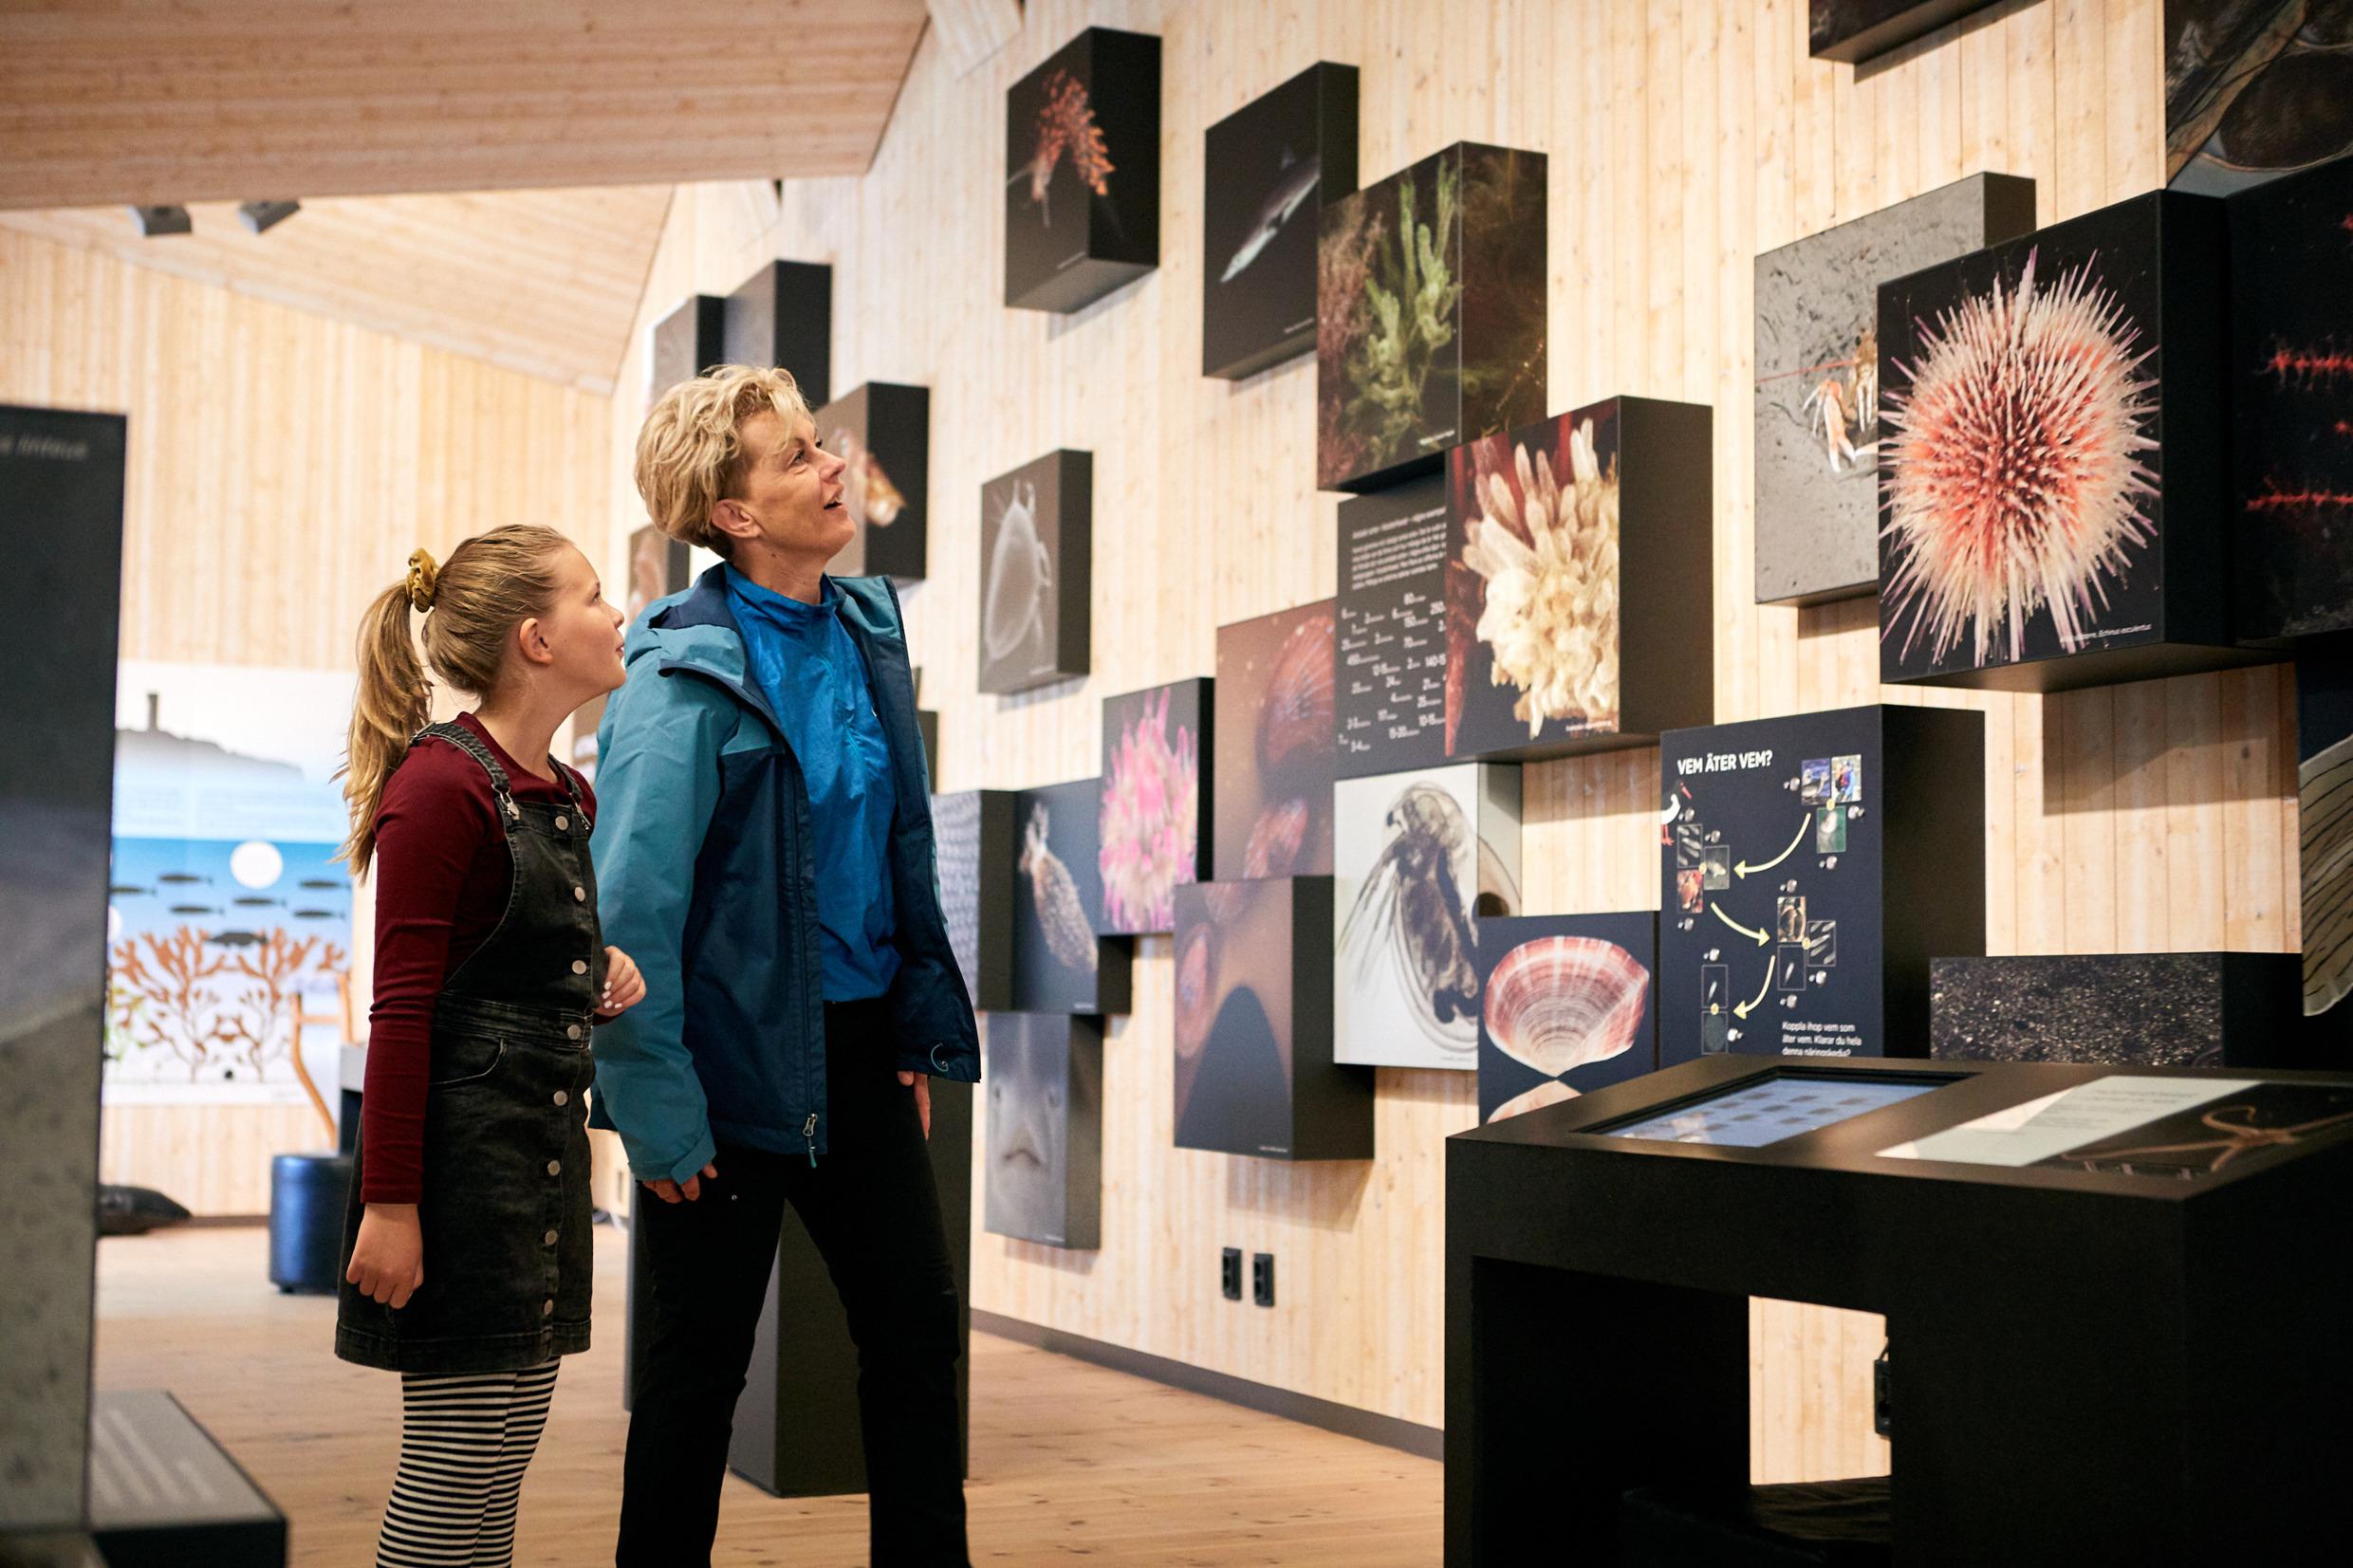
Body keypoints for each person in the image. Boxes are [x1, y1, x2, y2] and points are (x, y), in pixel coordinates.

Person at [592, 364, 979, 1567]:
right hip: (725, 1069)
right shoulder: (677, 682)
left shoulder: (864, 628)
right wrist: (658, 1119)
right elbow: (629, 920)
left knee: (916, 1342)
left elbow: (896, 855)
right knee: (694, 1377)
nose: (831, 466)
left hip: (860, 1054)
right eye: (795, 456)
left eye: (821, 443)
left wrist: (907, 1034)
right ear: (735, 515)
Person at [333, 525, 649, 1568]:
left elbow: (512, 968)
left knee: (496, 1470)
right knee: (451, 1477)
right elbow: (404, 1012)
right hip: (462, 1181)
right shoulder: (438, 788)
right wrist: (388, 1205)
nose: (618, 615)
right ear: (535, 638)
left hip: (535, 1171)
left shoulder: (564, 794)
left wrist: (596, 972)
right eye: (596, 597)